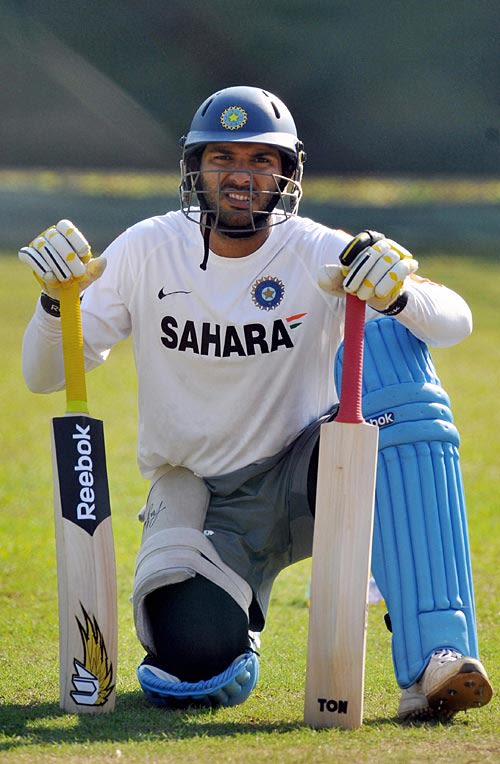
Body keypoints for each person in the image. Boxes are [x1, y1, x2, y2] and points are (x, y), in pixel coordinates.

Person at [19, 85, 493, 721]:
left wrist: (399, 291)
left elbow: (454, 321)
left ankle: (436, 655)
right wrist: (57, 303)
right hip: (205, 495)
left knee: (391, 344)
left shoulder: (318, 247)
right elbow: (44, 374)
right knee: (193, 674)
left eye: (260, 160)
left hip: (317, 469)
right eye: (222, 158)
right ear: (196, 170)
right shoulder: (146, 248)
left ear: (287, 174)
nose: (240, 176)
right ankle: (230, 614)